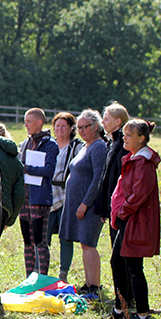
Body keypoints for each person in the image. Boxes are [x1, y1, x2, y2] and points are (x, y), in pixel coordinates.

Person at [109, 119, 160, 319]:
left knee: (133, 267)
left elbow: (139, 194)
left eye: (129, 135)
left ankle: (142, 314)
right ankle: (121, 308)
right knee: (118, 262)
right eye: (124, 134)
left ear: (142, 138)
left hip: (135, 221)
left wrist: (122, 212)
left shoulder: (144, 163)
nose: (124, 138)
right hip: (127, 220)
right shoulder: (132, 159)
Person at [59, 110, 108, 295]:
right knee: (84, 244)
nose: (81, 131)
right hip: (78, 205)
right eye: (78, 128)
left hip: (89, 206)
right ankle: (88, 284)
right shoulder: (86, 146)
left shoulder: (98, 147)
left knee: (89, 243)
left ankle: (94, 286)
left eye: (85, 127)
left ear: (95, 126)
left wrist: (85, 204)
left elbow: (98, 178)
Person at [18, 108, 58, 276]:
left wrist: (26, 168)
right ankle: (29, 278)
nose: (25, 124)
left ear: (39, 122)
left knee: (40, 242)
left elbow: (49, 170)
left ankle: (42, 278)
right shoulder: (25, 143)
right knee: (27, 241)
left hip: (39, 199)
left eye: (29, 121)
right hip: (25, 199)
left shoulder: (50, 145)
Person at [47, 112, 84, 282]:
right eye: (57, 126)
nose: (60, 129)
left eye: (64, 126)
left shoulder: (76, 147)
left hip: (66, 196)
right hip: (48, 195)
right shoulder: (49, 145)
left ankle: (63, 273)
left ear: (71, 128)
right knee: (43, 235)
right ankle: (41, 270)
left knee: (65, 236)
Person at [98, 102, 130, 250]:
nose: (102, 122)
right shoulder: (112, 143)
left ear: (118, 122)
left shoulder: (125, 145)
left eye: (106, 119)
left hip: (122, 209)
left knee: (121, 256)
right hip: (113, 208)